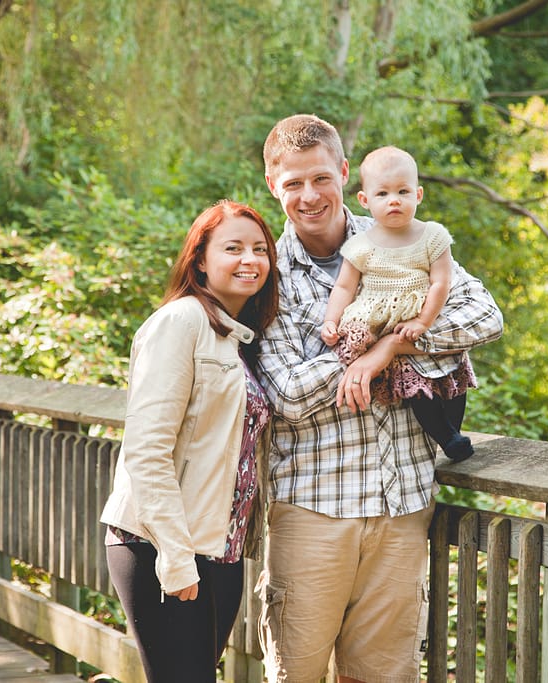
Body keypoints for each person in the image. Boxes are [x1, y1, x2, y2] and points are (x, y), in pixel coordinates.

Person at [256, 114, 504, 683]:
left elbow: (485, 316)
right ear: (274, 187)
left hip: (402, 506)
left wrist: (387, 348)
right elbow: (288, 394)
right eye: (293, 183)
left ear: (345, 174)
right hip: (313, 509)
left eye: (320, 178)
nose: (309, 195)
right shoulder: (266, 271)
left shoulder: (404, 235)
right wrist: (375, 347)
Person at [99, 199, 279, 683]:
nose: (250, 260)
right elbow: (147, 448)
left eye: (260, 249)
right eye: (233, 248)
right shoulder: (181, 322)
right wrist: (176, 558)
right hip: (163, 546)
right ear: (200, 258)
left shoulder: (237, 334)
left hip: (220, 548)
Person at [321, 144, 476, 463]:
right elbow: (344, 286)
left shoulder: (432, 237)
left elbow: (441, 283)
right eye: (383, 194)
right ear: (365, 200)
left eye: (403, 191)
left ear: (418, 195)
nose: (394, 200)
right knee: (418, 388)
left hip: (422, 319)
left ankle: (455, 429)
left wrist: (422, 322)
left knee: (452, 373)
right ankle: (447, 438)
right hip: (382, 323)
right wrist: (330, 320)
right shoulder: (361, 245)